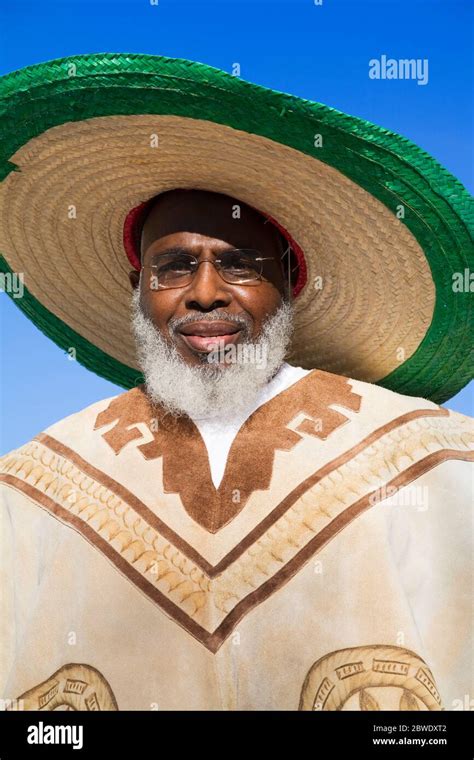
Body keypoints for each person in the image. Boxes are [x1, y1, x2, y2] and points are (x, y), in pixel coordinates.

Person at [0, 53, 472, 712]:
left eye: (239, 264)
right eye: (172, 267)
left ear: (290, 286)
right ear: (135, 292)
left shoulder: (432, 459)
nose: (204, 294)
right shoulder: (35, 488)